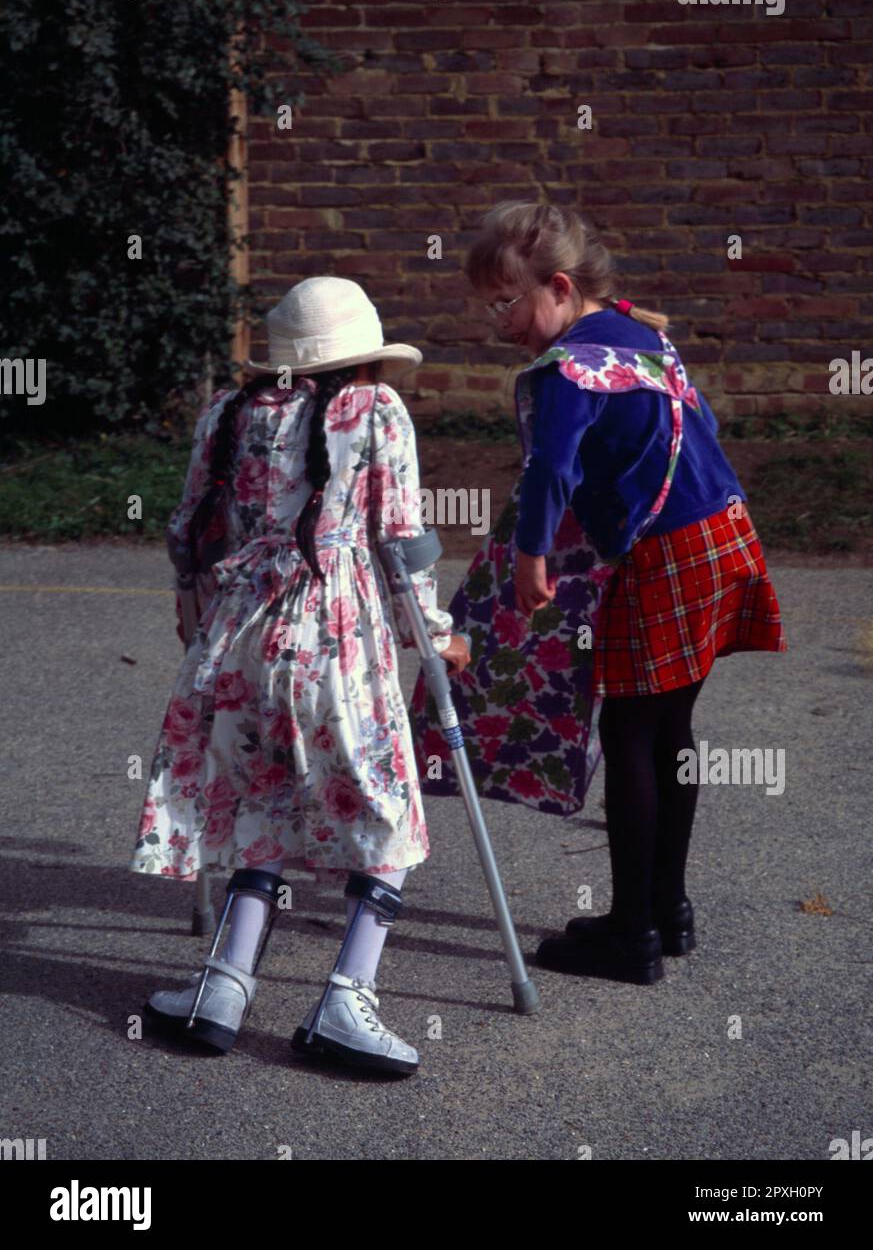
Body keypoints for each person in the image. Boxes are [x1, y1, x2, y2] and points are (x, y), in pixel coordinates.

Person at [410, 201, 787, 985]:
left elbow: (551, 470)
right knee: (668, 727)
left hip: (667, 554)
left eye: (504, 302)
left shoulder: (566, 370)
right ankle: (665, 909)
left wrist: (529, 555)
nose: (496, 322)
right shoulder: (637, 334)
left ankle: (629, 935)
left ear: (554, 286)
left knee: (627, 736)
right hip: (723, 533)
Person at [129, 276, 470, 1074]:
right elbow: (400, 540)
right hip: (333, 631)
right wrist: (438, 634)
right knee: (383, 802)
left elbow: (188, 530)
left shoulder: (229, 411)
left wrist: (194, 604)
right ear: (361, 358)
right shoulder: (376, 411)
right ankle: (347, 999)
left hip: (237, 632)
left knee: (263, 790)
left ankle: (224, 984)